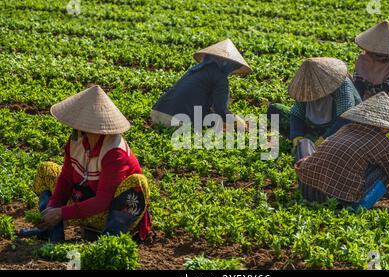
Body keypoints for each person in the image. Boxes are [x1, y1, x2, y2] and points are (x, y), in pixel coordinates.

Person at [19, 86, 152, 242]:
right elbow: (66, 178)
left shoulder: (115, 153)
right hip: (81, 203)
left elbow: (102, 201)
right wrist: (53, 207)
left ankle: (108, 241)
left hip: (106, 213)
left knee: (138, 182)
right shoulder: (76, 140)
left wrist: (62, 213)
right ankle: (51, 231)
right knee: (46, 169)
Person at [294, 92, 389, 209]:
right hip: (337, 199)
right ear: (385, 126)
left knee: (305, 143)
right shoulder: (382, 143)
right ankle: (357, 208)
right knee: (386, 169)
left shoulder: (345, 129)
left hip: (307, 189)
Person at [267, 57, 361, 155]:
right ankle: (307, 143)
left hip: (341, 132)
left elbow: (345, 119)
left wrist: (324, 140)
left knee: (343, 144)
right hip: (314, 128)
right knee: (275, 111)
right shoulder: (305, 88)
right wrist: (297, 137)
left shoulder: (342, 87)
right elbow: (296, 114)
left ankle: (313, 145)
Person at [151, 38, 251, 129]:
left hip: (156, 113)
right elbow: (220, 109)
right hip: (175, 120)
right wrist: (236, 121)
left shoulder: (195, 70)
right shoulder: (220, 79)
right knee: (220, 124)